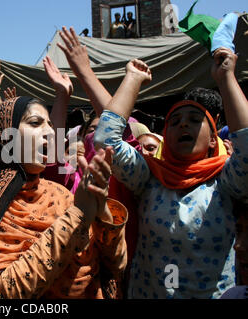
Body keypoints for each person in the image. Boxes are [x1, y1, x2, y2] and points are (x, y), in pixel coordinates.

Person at [0, 94, 128, 299]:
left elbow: (116, 267)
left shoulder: (60, 193)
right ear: (5, 135)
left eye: (51, 125)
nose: (50, 132)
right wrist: (77, 216)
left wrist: (100, 206)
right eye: (35, 123)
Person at [94, 45, 248, 298]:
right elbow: (105, 141)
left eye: (195, 119)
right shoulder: (148, 177)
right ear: (165, 136)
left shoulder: (227, 182)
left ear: (213, 139)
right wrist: (132, 79)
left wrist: (226, 78)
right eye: (174, 122)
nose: (184, 124)